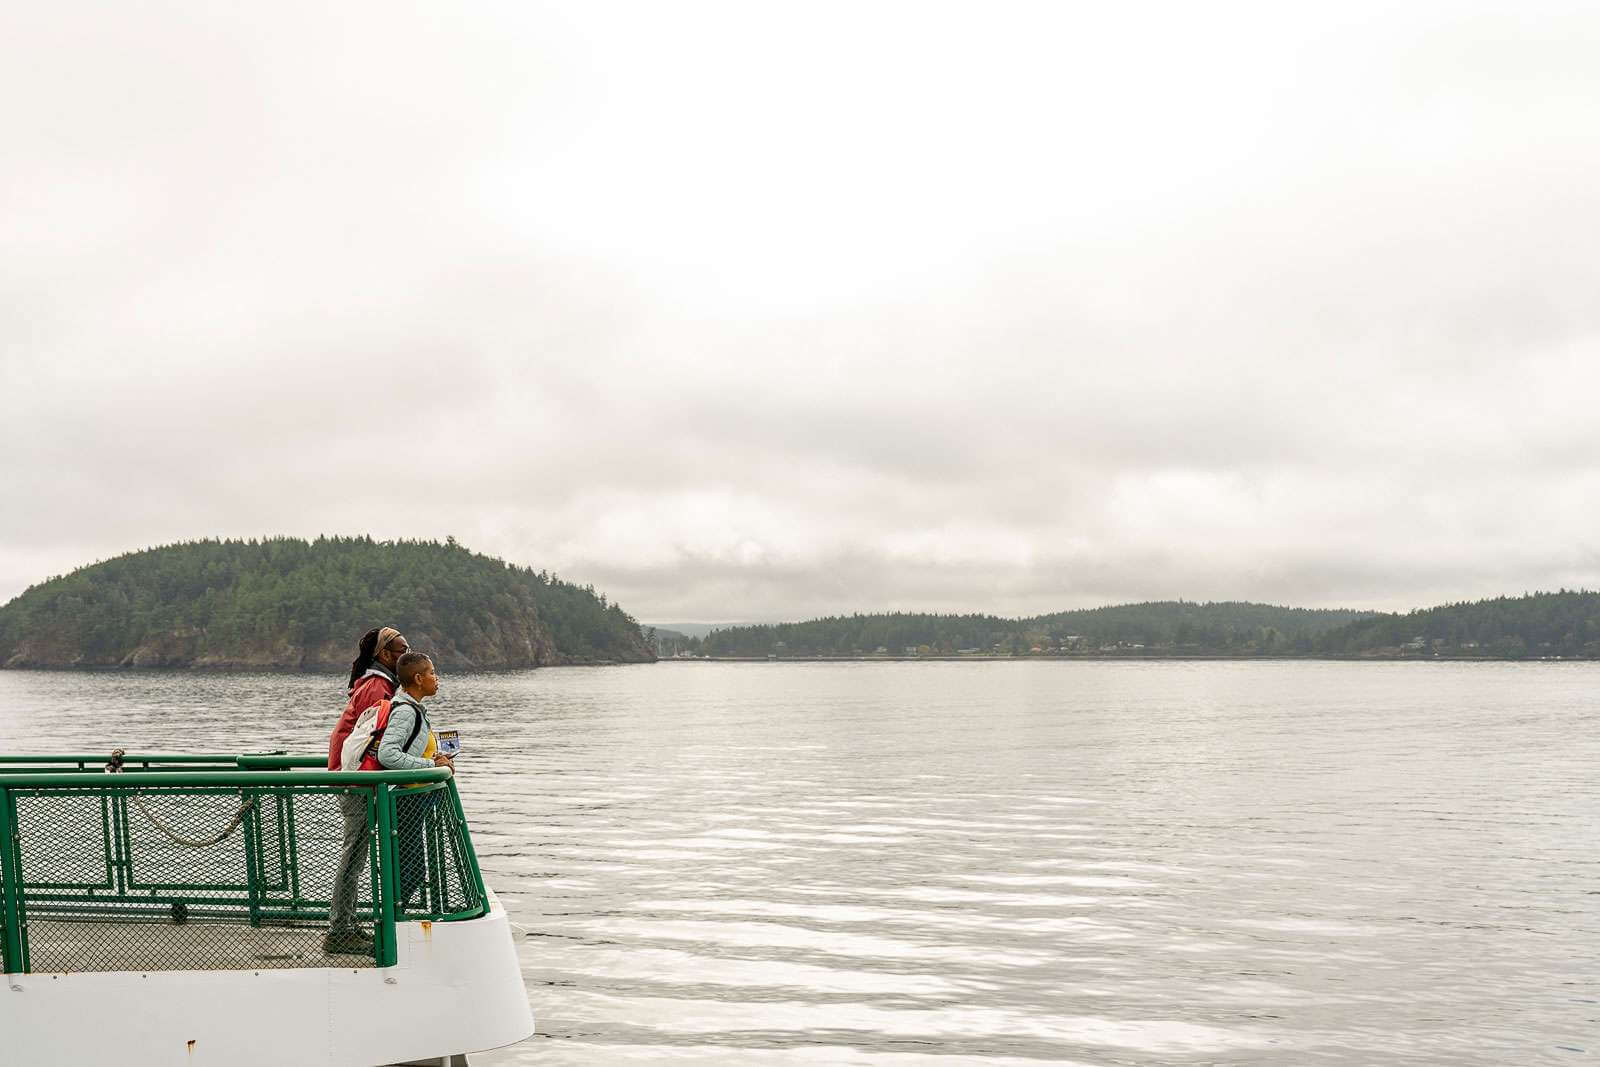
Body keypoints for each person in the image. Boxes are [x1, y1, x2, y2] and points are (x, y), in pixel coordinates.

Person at [324, 626, 409, 956]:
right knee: (354, 854)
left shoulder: (380, 683)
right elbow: (373, 738)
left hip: (354, 776)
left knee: (356, 854)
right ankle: (339, 930)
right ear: (385, 655)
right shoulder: (377, 686)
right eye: (401, 650)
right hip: (355, 780)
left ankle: (345, 923)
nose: (406, 655)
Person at [380, 651, 455, 913]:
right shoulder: (406, 712)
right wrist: (430, 765)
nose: (437, 678)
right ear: (418, 678)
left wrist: (436, 758)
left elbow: (411, 751)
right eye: (432, 672)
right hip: (406, 799)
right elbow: (388, 754)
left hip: (414, 799)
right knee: (409, 868)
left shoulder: (413, 709)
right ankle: (391, 924)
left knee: (409, 866)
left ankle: (393, 919)